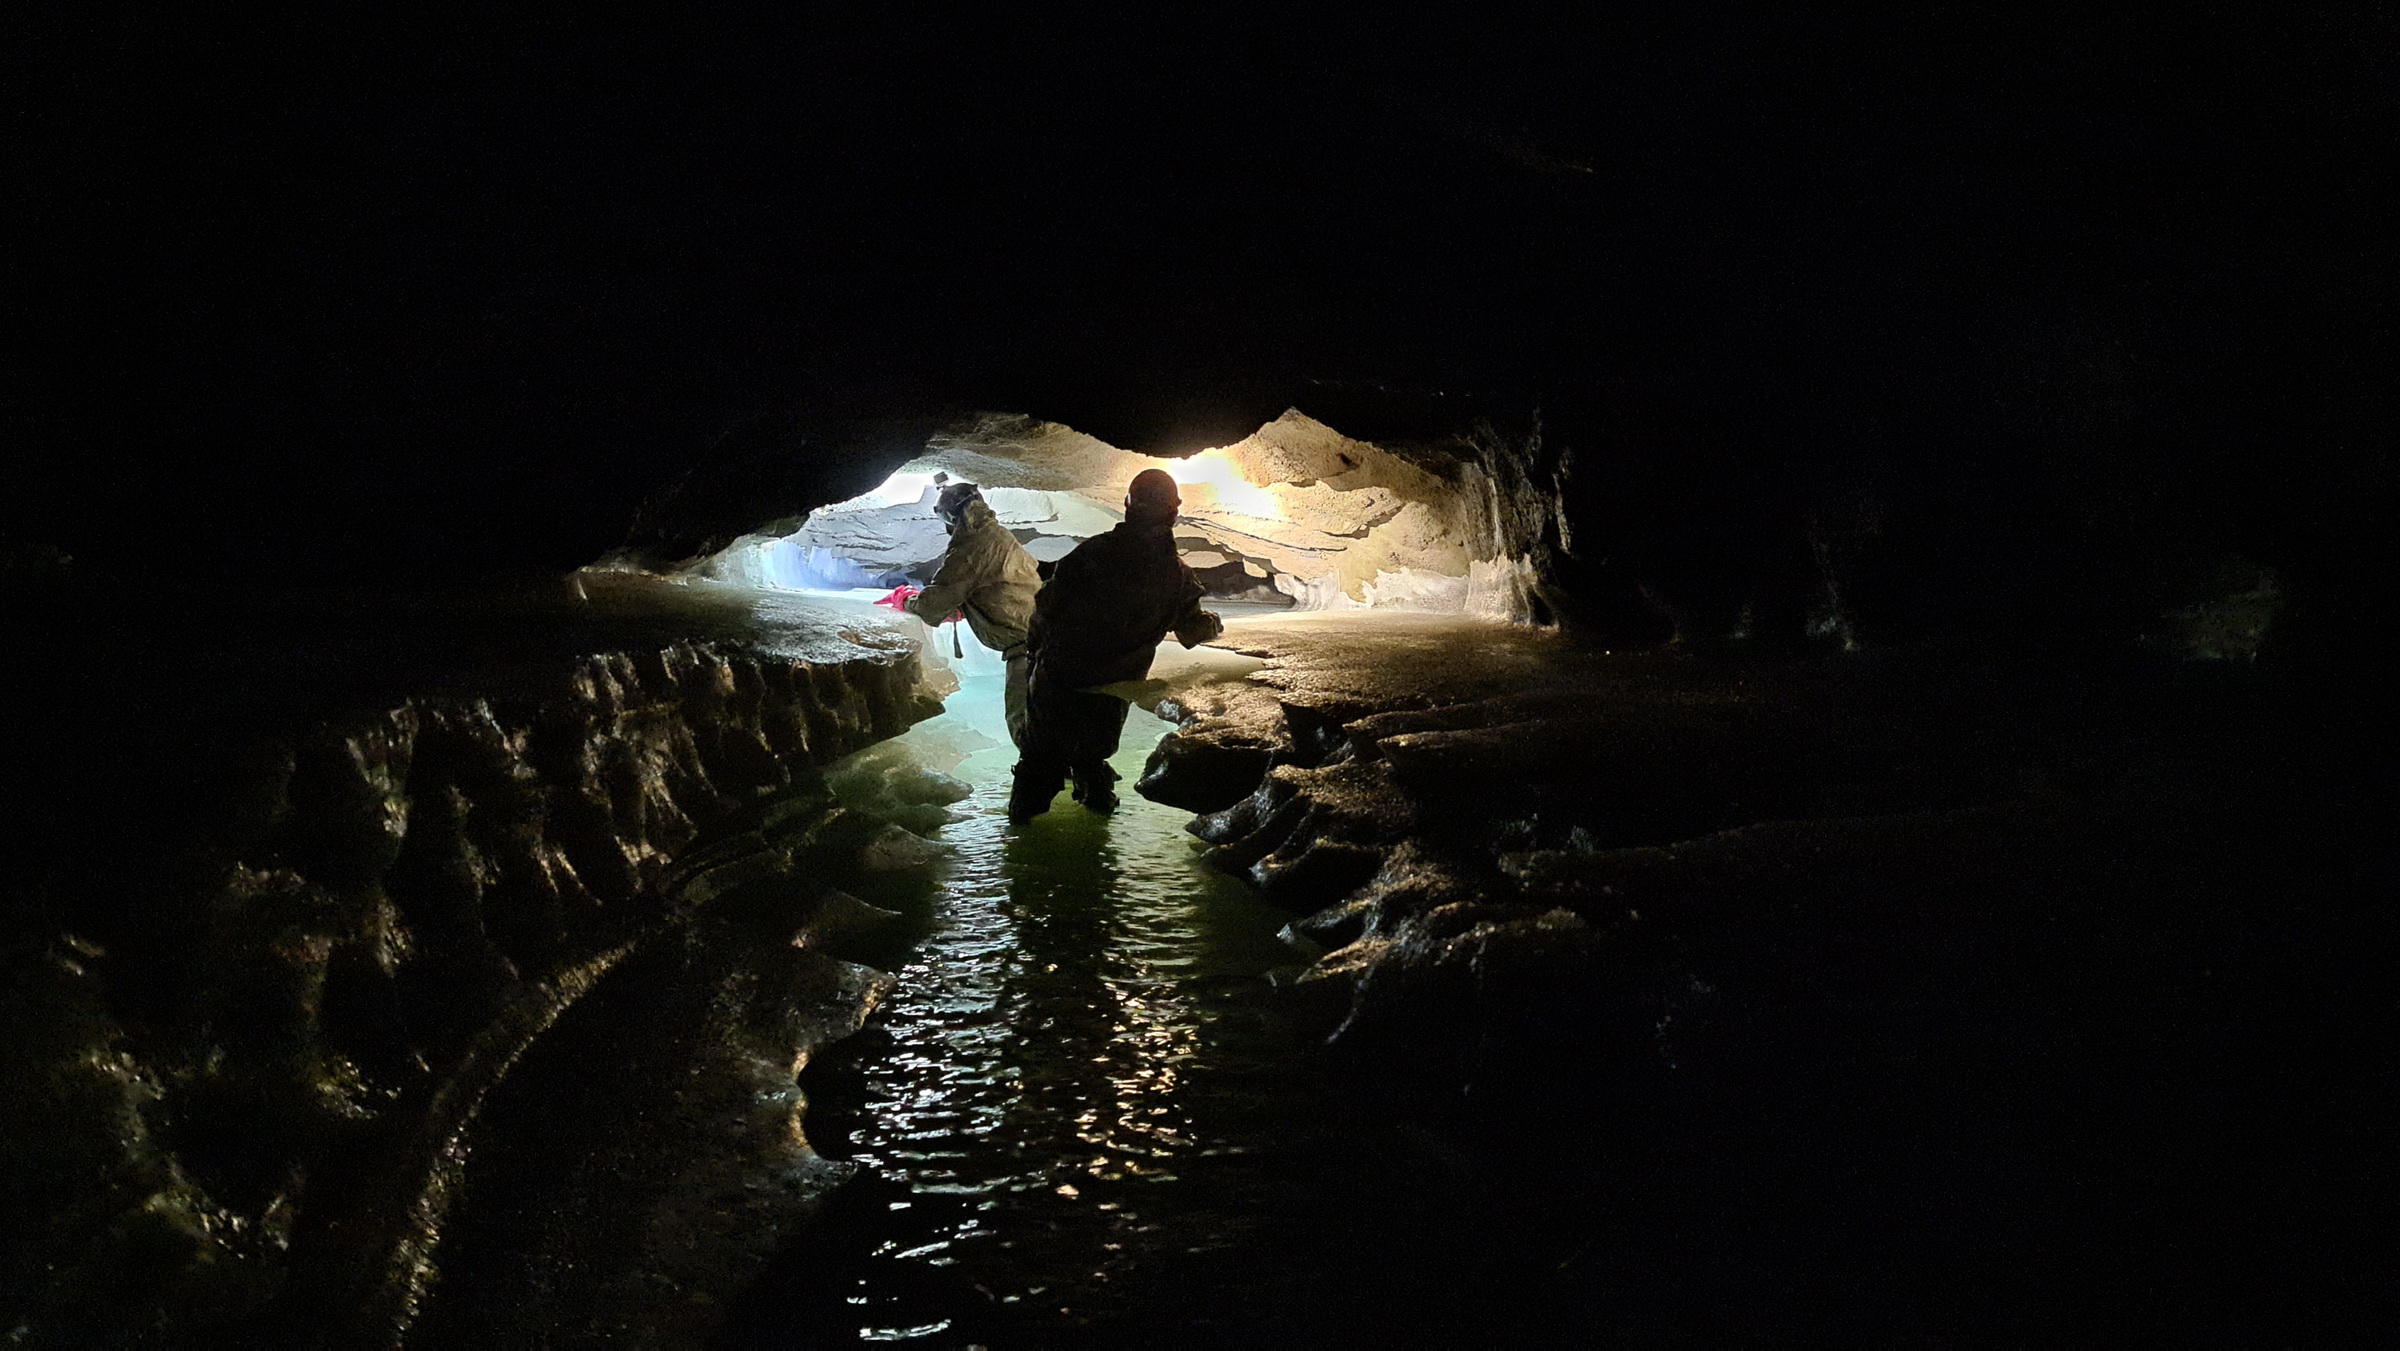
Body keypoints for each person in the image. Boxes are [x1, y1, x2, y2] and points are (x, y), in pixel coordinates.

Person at [1010, 468, 1223, 822]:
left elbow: (1046, 607)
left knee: (1038, 762)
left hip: (1059, 678)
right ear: (1174, 510)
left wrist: (1033, 654)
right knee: (1092, 757)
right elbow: (1192, 632)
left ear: (1128, 504)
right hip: (1113, 685)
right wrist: (1212, 622)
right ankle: (1097, 822)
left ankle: (1020, 837)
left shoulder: (1092, 553)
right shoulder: (1177, 576)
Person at [905, 480, 1042, 747]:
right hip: (1046, 639)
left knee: (1028, 731)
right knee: (1056, 725)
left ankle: (1038, 771)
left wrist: (908, 601)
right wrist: (968, 607)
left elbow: (935, 602)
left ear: (951, 516)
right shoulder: (999, 535)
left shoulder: (971, 546)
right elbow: (996, 585)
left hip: (1028, 652)